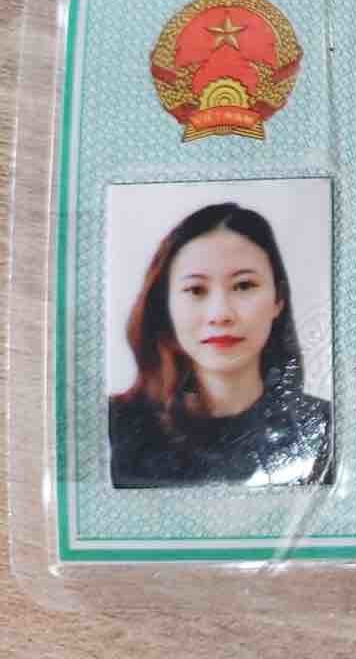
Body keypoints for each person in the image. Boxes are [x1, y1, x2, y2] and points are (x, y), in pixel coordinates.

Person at [110, 202, 332, 488]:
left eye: (244, 285)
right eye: (196, 290)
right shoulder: (111, 426)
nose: (221, 314)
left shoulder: (326, 426)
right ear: (165, 305)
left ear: (278, 299)